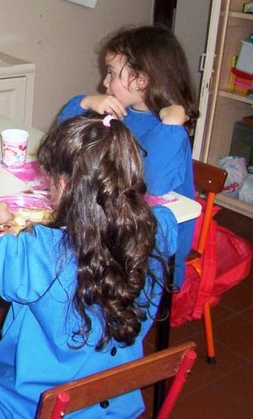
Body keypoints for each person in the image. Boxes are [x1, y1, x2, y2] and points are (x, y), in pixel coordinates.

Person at [0, 113, 178, 419]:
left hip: (37, 405)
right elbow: (164, 217)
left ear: (63, 185)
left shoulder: (43, 252)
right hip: (117, 401)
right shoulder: (159, 230)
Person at [57, 24, 198, 288]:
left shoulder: (169, 131)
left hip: (152, 250)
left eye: (111, 74)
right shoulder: (120, 112)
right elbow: (63, 139)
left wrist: (170, 128)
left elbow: (151, 184)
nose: (104, 83)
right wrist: (85, 102)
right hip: (118, 224)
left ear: (141, 80)